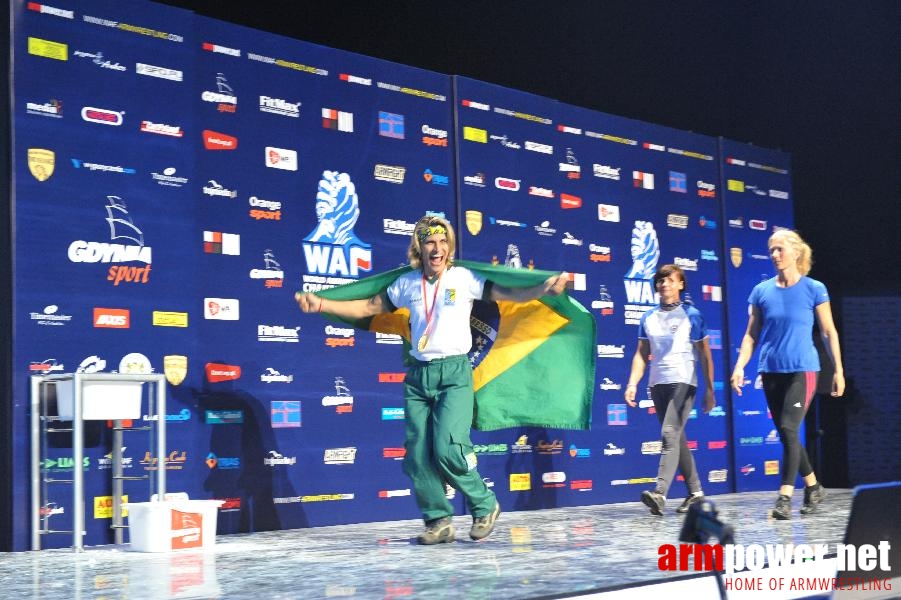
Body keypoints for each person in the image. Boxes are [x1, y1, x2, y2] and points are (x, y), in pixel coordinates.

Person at [296, 214, 569, 544]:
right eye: (429, 242)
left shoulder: (464, 278)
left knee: (447, 446)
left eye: (442, 242)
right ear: (419, 248)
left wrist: (542, 287)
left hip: (454, 373)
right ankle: (438, 520)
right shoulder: (407, 284)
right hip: (418, 376)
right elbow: (369, 307)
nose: (436, 249)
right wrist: (322, 302)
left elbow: (510, 293)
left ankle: (485, 503)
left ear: (449, 247)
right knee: (418, 454)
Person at [730, 229, 844, 520]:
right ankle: (814, 486)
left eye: (780, 249)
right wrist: (740, 365)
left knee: (789, 428)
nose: (775, 255)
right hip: (771, 370)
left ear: (796, 252)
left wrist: (839, 370)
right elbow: (750, 335)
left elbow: (828, 331)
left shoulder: (814, 288)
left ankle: (784, 496)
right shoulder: (761, 291)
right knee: (786, 432)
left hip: (803, 369)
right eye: (771, 250)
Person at [624, 264, 715, 516]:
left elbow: (705, 354)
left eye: (669, 280)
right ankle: (696, 493)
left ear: (681, 284)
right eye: (660, 281)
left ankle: (660, 493)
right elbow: (641, 354)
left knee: (669, 432)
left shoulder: (692, 315)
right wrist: (632, 383)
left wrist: (709, 389)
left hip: (684, 380)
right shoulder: (648, 317)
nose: (664, 284)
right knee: (677, 438)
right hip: (657, 383)